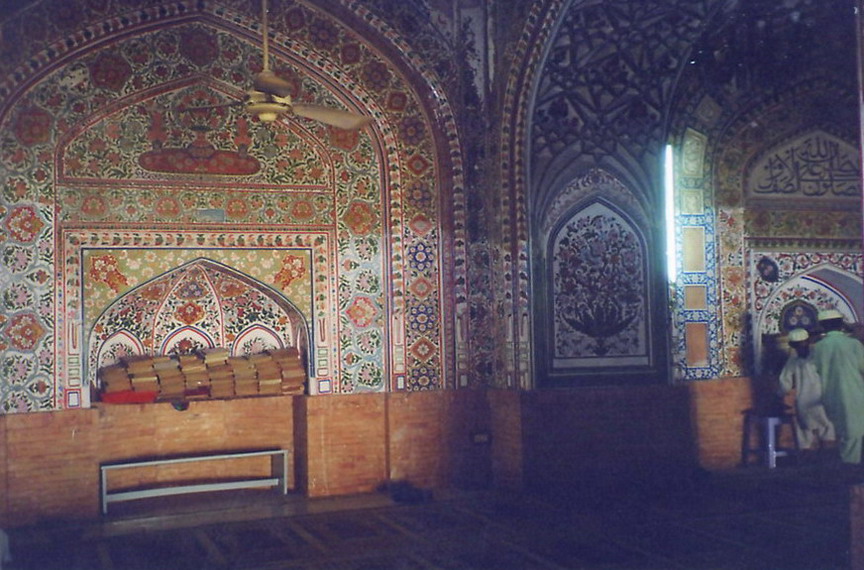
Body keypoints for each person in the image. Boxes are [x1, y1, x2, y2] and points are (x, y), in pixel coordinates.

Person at [810, 309, 864, 465]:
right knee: (853, 434)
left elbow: (817, 370)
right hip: (856, 393)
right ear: (841, 324)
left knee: (844, 433)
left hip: (831, 396)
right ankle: (851, 471)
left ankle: (849, 467)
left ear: (822, 326)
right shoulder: (853, 344)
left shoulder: (819, 347)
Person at [777, 328, 835, 451]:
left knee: (825, 438)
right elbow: (784, 382)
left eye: (802, 344)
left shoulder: (817, 356)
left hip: (820, 402)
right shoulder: (794, 360)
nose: (800, 347)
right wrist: (781, 396)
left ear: (808, 342)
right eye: (798, 345)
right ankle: (811, 465)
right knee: (810, 438)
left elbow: (784, 383)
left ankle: (825, 464)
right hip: (807, 404)